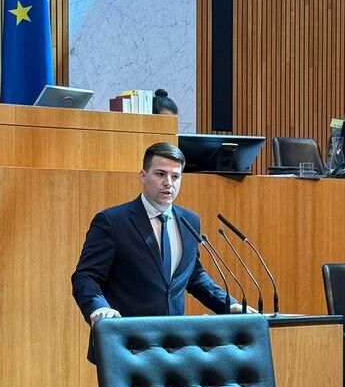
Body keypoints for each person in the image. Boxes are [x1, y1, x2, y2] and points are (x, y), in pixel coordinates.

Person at [72, 141, 242, 341]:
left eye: (175, 176)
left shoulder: (189, 221)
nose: (168, 182)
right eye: (160, 174)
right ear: (143, 176)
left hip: (174, 343)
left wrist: (229, 305)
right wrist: (99, 308)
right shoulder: (112, 221)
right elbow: (86, 276)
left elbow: (193, 275)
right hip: (125, 341)